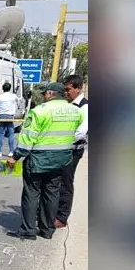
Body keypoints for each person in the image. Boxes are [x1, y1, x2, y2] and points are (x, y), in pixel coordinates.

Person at [5, 82, 84, 240]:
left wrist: (15, 157)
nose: (43, 97)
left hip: (39, 160)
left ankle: (28, 230)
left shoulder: (39, 112)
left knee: (31, 194)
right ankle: (47, 230)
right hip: (62, 160)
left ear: (50, 94)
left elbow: (27, 140)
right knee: (52, 194)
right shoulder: (76, 112)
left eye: (44, 94)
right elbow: (76, 132)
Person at [54, 75, 88, 227]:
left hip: (73, 150)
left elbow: (80, 132)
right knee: (55, 180)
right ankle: (52, 211)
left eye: (68, 89)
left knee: (66, 182)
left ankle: (62, 217)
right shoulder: (67, 104)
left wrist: (60, 141)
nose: (66, 92)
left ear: (78, 88)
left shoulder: (85, 107)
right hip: (61, 149)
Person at [0, 81, 19, 156]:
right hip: (10, 116)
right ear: (10, 88)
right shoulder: (13, 96)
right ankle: (11, 151)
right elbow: (18, 102)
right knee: (11, 134)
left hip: (2, 116)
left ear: (3, 89)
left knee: (1, 133)